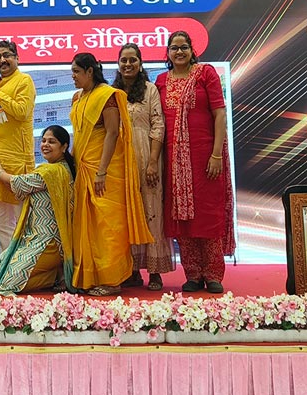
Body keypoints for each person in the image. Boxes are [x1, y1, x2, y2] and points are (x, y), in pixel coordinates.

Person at [156, 31, 235, 294]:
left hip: (205, 157)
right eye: (174, 48)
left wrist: (216, 154)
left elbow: (219, 114)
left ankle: (213, 274)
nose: (179, 52)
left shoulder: (205, 74)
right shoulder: (161, 81)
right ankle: (192, 274)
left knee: (208, 213)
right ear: (168, 52)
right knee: (181, 217)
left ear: (192, 50)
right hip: (174, 161)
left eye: (184, 47)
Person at [69, 52, 153, 296]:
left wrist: (102, 171)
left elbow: (112, 133)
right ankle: (91, 277)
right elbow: (79, 133)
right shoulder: (77, 97)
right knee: (89, 227)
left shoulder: (107, 96)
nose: (73, 76)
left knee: (108, 226)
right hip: (83, 168)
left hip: (105, 171)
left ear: (90, 72)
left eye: (76, 71)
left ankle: (112, 280)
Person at [0, 126, 76, 296]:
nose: (45, 145)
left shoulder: (51, 171)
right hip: (33, 238)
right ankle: (54, 274)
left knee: (6, 284)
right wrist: (0, 173)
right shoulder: (57, 169)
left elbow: (20, 183)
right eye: (43, 140)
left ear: (64, 147)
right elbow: (20, 187)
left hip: (49, 241)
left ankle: (55, 274)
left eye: (52, 141)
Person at [112, 43, 175, 291]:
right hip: (120, 159)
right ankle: (132, 269)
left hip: (147, 154)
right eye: (124, 60)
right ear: (118, 64)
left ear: (140, 63)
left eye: (133, 60)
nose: (128, 64)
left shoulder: (150, 90)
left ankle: (155, 271)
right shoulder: (112, 92)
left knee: (152, 210)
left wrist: (152, 162)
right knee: (127, 213)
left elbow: (158, 126)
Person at [0, 40, 36, 251]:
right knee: (3, 224)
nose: (2, 60)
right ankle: (8, 266)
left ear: (17, 58)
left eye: (6, 55)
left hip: (18, 162)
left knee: (22, 222)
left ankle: (25, 266)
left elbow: (22, 111)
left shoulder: (24, 81)